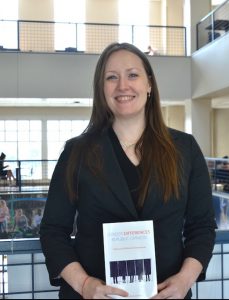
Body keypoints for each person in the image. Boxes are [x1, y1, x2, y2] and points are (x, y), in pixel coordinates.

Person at [40, 42, 217, 299]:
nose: (123, 86)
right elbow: (53, 230)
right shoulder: (77, 152)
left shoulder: (185, 149)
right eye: (111, 78)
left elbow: (202, 227)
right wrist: (84, 284)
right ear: (102, 90)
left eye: (132, 75)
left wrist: (184, 281)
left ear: (149, 84)